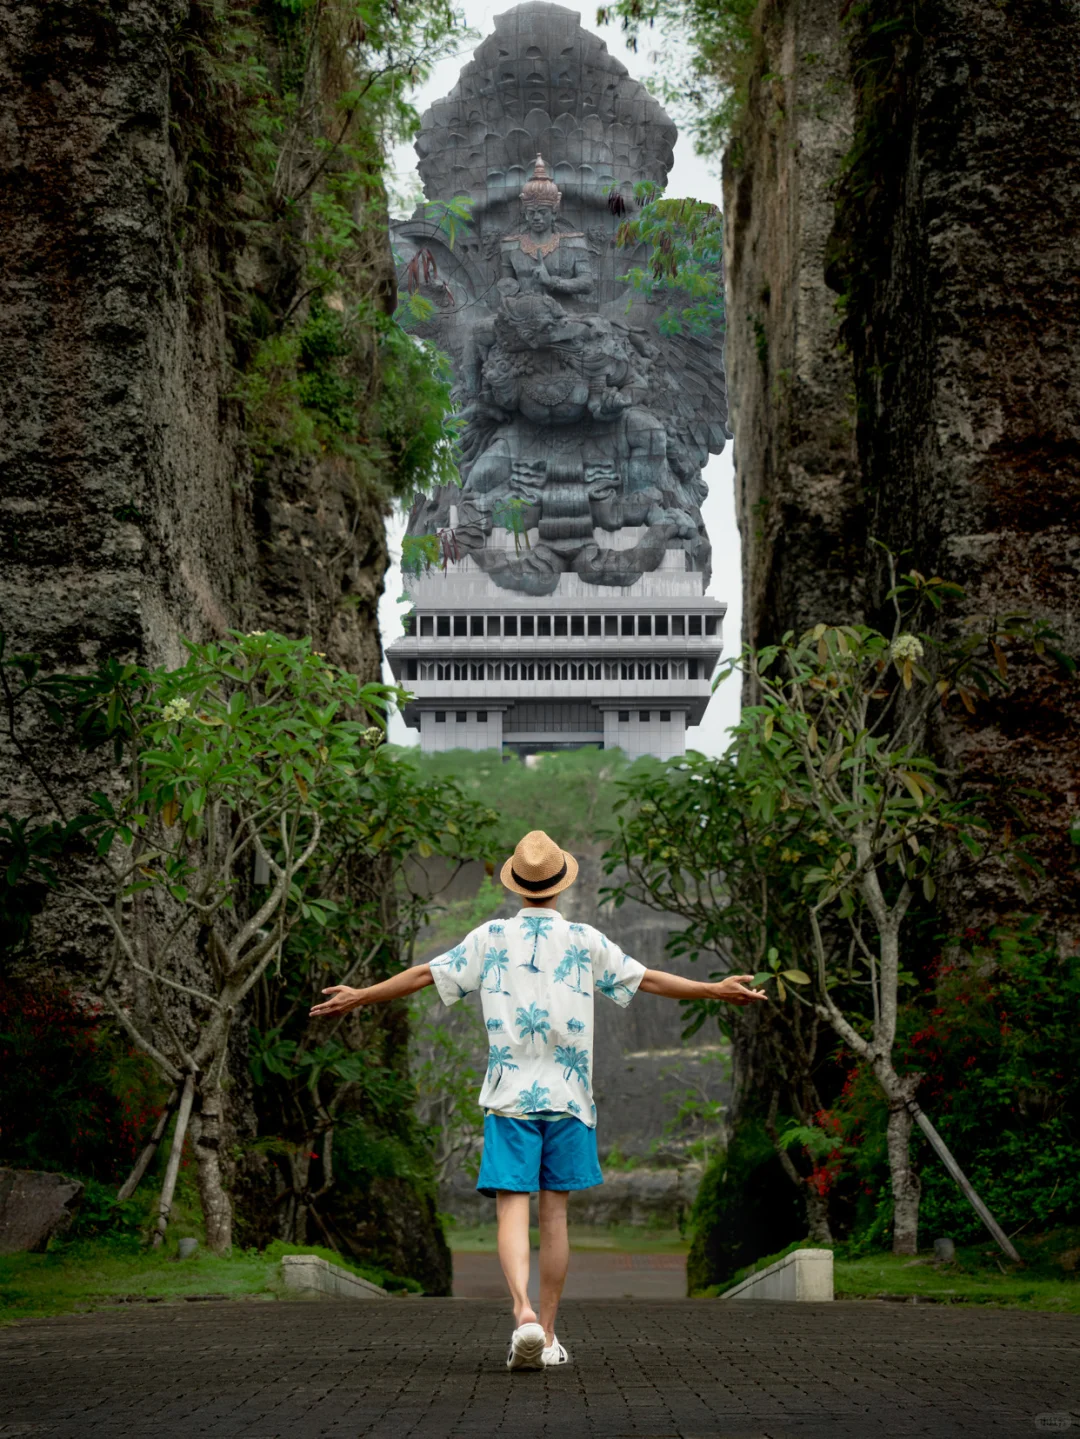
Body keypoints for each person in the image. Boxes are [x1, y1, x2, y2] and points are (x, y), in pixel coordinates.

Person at [310, 829, 766, 1372]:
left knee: (511, 1210)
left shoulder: (489, 937)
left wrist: (361, 994)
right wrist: (714, 988)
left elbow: (421, 975)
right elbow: (649, 981)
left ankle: (522, 1313)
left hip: (508, 1097)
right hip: (571, 1099)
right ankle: (547, 1335)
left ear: (516, 886)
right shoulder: (584, 939)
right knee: (555, 1220)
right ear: (560, 885)